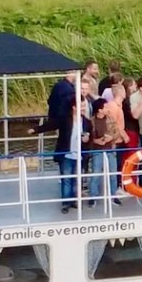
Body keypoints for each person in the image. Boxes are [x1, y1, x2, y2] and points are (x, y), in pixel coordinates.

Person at [41, 72, 89, 212]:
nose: (84, 109)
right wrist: (36, 129)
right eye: (82, 106)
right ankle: (66, 203)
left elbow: (89, 135)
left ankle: (73, 200)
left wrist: (87, 139)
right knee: (67, 179)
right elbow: (51, 125)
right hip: (67, 154)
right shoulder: (65, 120)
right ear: (74, 107)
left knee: (75, 179)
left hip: (79, 154)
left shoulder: (85, 122)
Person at [90, 80, 127, 205]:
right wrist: (96, 140)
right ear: (99, 110)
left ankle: (113, 196)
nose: (107, 108)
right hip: (97, 150)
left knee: (112, 174)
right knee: (95, 174)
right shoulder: (91, 122)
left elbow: (116, 130)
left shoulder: (110, 118)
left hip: (110, 148)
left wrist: (111, 137)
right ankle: (93, 197)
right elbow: (89, 136)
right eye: (105, 107)